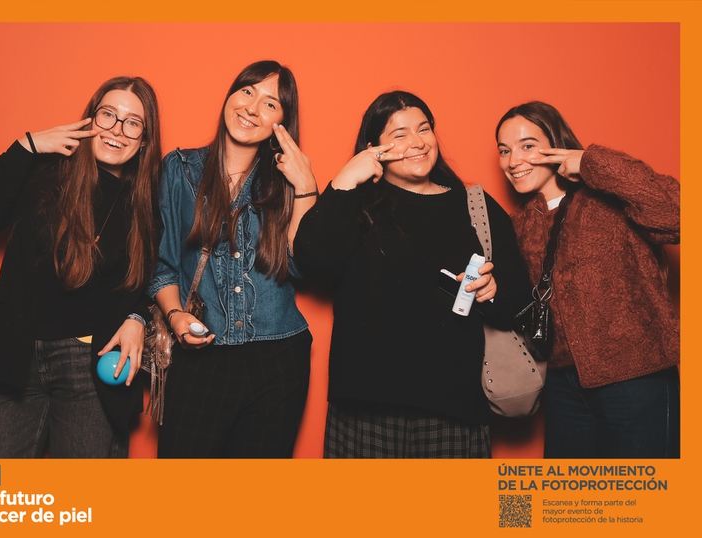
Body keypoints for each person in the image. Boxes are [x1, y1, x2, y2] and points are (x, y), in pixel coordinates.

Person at [293, 91, 531, 458]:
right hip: (366, 402)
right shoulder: (355, 203)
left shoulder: (475, 206)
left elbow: (518, 292)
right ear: (374, 149)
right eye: (399, 134)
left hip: (454, 403)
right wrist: (345, 179)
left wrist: (493, 288)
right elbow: (312, 259)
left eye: (423, 129)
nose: (417, 142)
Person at [0, 76, 162, 458]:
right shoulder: (44, 171)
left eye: (132, 123)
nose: (117, 129)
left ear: (144, 140)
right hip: (14, 352)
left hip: (90, 364)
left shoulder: (146, 202)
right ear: (90, 119)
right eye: (108, 114)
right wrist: (27, 145)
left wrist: (138, 317)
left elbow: (153, 274)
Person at [148, 60, 317, 458]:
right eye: (247, 91)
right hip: (202, 353)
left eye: (270, 103)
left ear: (282, 122)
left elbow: (303, 266)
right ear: (230, 96)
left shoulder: (290, 180)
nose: (253, 108)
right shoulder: (180, 169)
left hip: (278, 356)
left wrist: (307, 186)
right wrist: (175, 317)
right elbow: (162, 264)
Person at [495, 101, 680, 458]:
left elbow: (676, 214)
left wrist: (590, 162)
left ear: (557, 144)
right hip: (563, 386)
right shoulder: (517, 225)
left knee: (641, 492)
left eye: (527, 145)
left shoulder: (609, 199)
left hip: (635, 375)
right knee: (571, 493)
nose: (514, 160)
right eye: (504, 151)